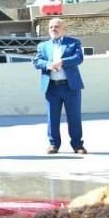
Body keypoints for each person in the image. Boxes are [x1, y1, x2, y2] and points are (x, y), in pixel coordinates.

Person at [34, 18, 86, 155]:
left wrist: (62, 62)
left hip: (70, 86)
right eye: (51, 27)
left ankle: (77, 145)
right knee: (52, 117)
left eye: (56, 27)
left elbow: (78, 58)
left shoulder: (73, 42)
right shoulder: (43, 46)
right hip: (52, 87)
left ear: (63, 29)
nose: (53, 29)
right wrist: (48, 65)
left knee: (74, 117)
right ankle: (53, 144)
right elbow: (37, 61)